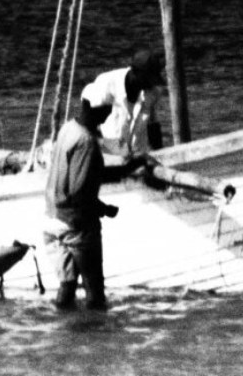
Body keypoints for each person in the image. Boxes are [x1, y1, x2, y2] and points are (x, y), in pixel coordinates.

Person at [43, 96, 119, 310]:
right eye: (106, 110)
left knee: (67, 287)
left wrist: (127, 169)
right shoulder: (86, 141)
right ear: (96, 109)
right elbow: (79, 195)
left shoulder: (68, 128)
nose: (107, 116)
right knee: (94, 292)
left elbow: (79, 176)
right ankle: (96, 339)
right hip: (77, 226)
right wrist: (105, 209)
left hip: (52, 220)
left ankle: (66, 338)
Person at [81, 50, 166, 159]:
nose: (150, 84)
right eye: (148, 79)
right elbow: (87, 118)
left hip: (136, 155)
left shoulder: (152, 92)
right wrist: (103, 144)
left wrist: (160, 155)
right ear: (136, 72)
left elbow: (152, 125)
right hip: (108, 154)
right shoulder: (107, 83)